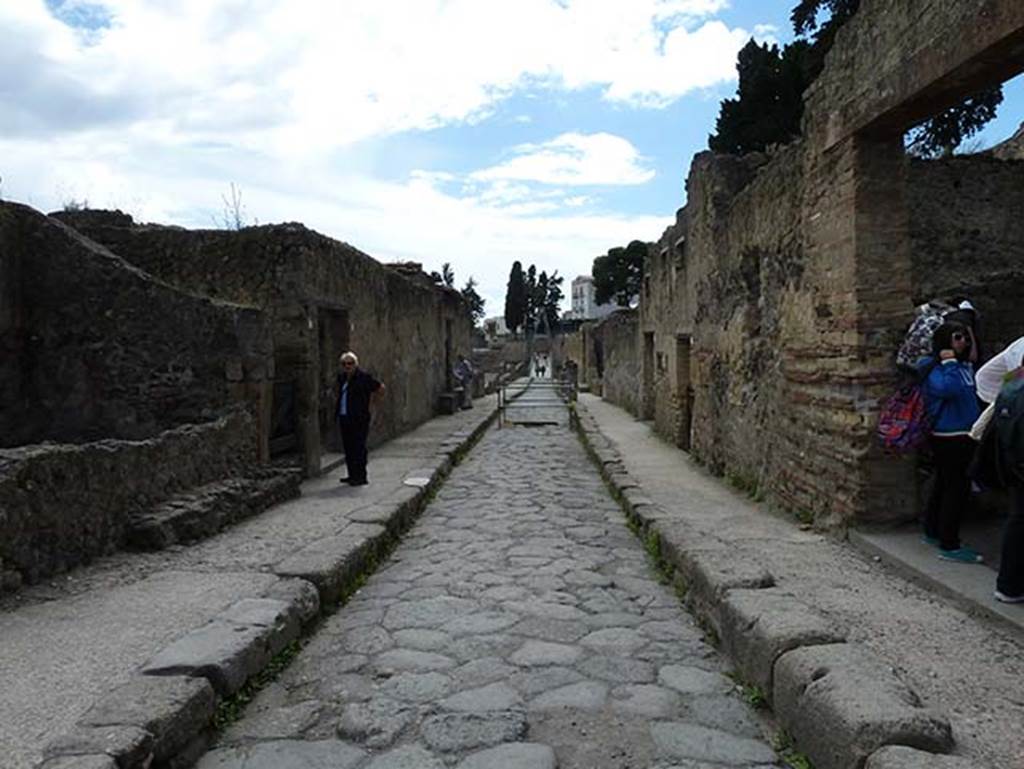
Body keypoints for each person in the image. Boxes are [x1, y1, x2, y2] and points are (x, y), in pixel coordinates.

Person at [921, 321, 982, 562]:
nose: (963, 343)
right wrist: (948, 362)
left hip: (965, 434)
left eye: (966, 338)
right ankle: (950, 544)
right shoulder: (935, 369)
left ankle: (934, 530)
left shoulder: (964, 366)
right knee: (956, 489)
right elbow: (949, 389)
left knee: (945, 485)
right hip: (948, 435)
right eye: (958, 338)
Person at [335, 351, 385, 486]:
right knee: (348, 447)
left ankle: (361, 476)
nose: (347, 366)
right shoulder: (342, 378)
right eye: (344, 364)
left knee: (359, 447)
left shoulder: (363, 377)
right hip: (345, 417)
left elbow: (380, 388)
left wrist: (371, 406)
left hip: (359, 419)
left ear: (355, 364)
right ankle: (352, 474)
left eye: (350, 363)